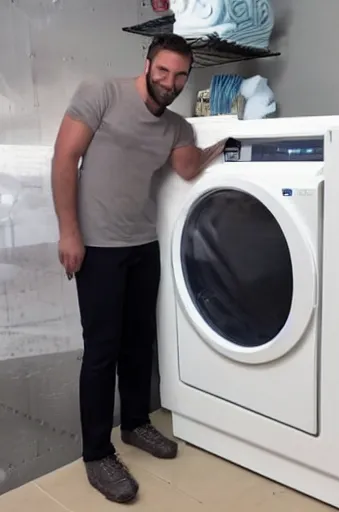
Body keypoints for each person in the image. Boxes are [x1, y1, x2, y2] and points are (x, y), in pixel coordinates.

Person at [51, 34, 227, 504]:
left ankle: (134, 425)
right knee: (102, 349)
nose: (170, 81)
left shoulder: (174, 126)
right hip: (98, 246)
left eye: (180, 75)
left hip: (141, 244)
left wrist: (219, 148)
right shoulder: (101, 93)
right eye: (163, 71)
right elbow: (65, 159)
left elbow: (188, 168)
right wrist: (70, 233)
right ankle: (96, 453)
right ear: (147, 64)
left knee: (138, 343)